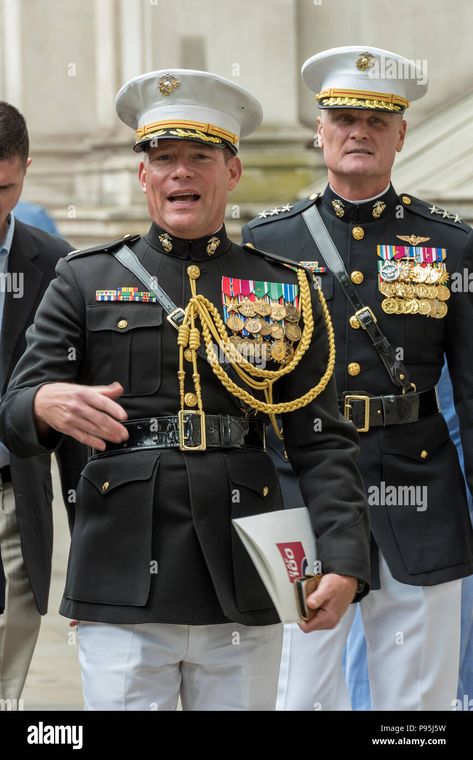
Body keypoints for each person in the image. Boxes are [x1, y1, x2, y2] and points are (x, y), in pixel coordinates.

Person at [0, 69, 370, 711]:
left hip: (241, 568)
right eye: (164, 158)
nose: (181, 173)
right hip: (120, 570)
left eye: (200, 157)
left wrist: (343, 558)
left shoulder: (285, 289)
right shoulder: (83, 282)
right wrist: (41, 403)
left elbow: (321, 443)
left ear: (232, 172)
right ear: (143, 176)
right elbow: (15, 408)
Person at [242, 45, 473, 711]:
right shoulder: (267, 243)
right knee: (299, 691)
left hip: (420, 485)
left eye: (376, 121)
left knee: (419, 699)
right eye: (343, 117)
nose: (358, 132)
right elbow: (253, 388)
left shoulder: (449, 245)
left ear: (401, 134)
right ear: (319, 131)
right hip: (303, 488)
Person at [0, 101, 78, 704]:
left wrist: (91, 556)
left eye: (2, 187)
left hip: (13, 488)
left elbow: (75, 420)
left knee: (12, 635)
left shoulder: (57, 265)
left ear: (26, 169)